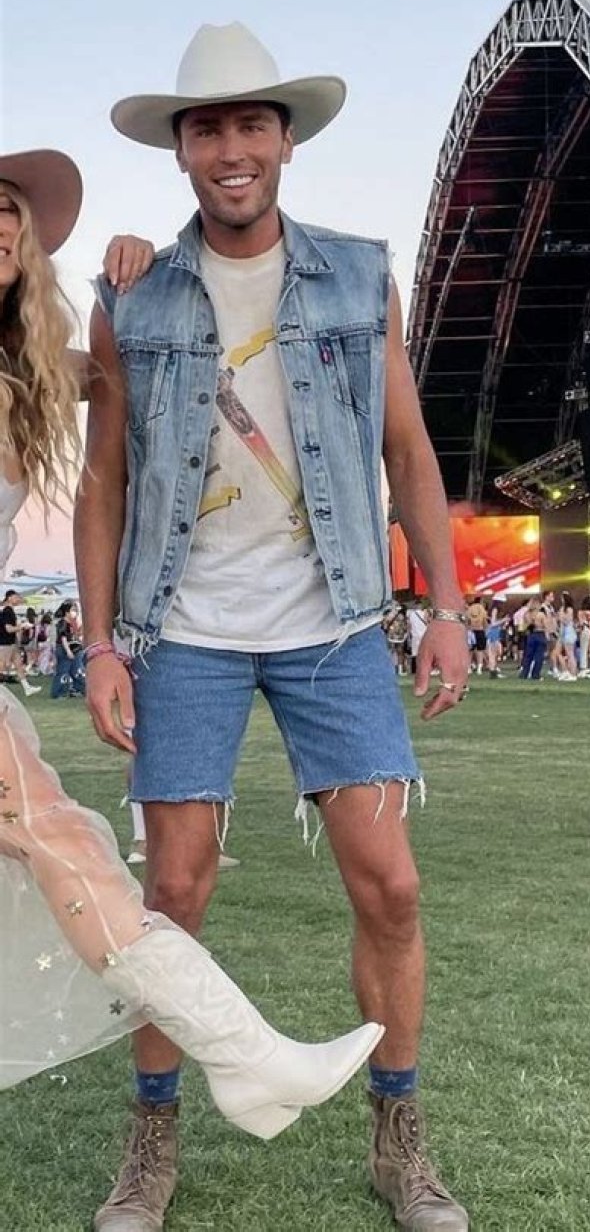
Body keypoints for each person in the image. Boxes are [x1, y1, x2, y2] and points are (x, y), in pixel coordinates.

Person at [75, 21, 471, 1232]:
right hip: (181, 630)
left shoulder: (358, 274)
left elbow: (407, 449)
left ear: (287, 141)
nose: (232, 148)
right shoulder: (132, 292)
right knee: (172, 892)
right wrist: (100, 642)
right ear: (181, 150)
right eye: (209, 129)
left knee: (391, 887)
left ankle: (399, 1140)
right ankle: (151, 1141)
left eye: (253, 124)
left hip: (335, 624)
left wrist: (447, 606)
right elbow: (103, 482)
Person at [0, 150, 381, 1162]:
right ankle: (248, 1059)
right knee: (69, 851)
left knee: (68, 852)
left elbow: (141, 373)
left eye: (6, 209)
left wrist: (145, 283)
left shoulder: (28, 368)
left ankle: (246, 1061)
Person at [0, 588, 41, 695]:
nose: (18, 599)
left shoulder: (9, 611)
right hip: (6, 643)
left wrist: (21, 627)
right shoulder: (7, 611)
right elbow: (8, 629)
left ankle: (27, 688)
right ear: (9, 598)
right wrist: (22, 626)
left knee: (18, 665)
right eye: (16, 597)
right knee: (2, 666)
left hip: (11, 643)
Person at [50, 598, 85, 698]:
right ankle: (58, 693)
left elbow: (76, 636)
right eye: (73, 610)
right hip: (64, 649)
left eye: (76, 610)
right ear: (66, 612)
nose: (75, 612)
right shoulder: (63, 623)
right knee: (63, 671)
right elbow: (63, 638)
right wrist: (68, 651)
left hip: (75, 649)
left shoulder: (72, 623)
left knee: (77, 670)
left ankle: (78, 689)